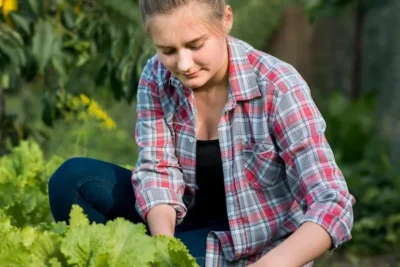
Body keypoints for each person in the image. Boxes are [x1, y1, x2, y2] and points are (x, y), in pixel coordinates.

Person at [48, 0, 356, 266]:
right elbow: (158, 170)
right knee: (72, 182)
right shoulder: (156, 76)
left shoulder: (277, 85)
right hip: (183, 227)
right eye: (167, 50)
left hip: (254, 249)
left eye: (195, 45)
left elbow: (333, 203)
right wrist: (163, 250)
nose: (183, 64)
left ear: (226, 20)